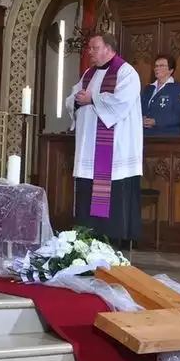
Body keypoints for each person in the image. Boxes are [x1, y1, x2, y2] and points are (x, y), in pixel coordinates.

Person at [66, 33, 143, 247]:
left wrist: (92, 98)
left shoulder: (126, 72)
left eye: (94, 47)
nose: (90, 51)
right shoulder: (89, 74)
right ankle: (87, 240)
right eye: (89, 48)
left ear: (108, 48)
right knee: (87, 193)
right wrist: (77, 100)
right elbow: (73, 97)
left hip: (114, 150)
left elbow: (120, 102)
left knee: (111, 197)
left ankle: (110, 242)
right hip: (89, 146)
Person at [141, 53, 180, 135]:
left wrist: (156, 121)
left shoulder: (178, 88)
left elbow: (179, 115)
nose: (157, 68)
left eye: (161, 66)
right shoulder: (149, 88)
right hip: (146, 135)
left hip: (167, 135)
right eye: (156, 66)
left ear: (171, 70)